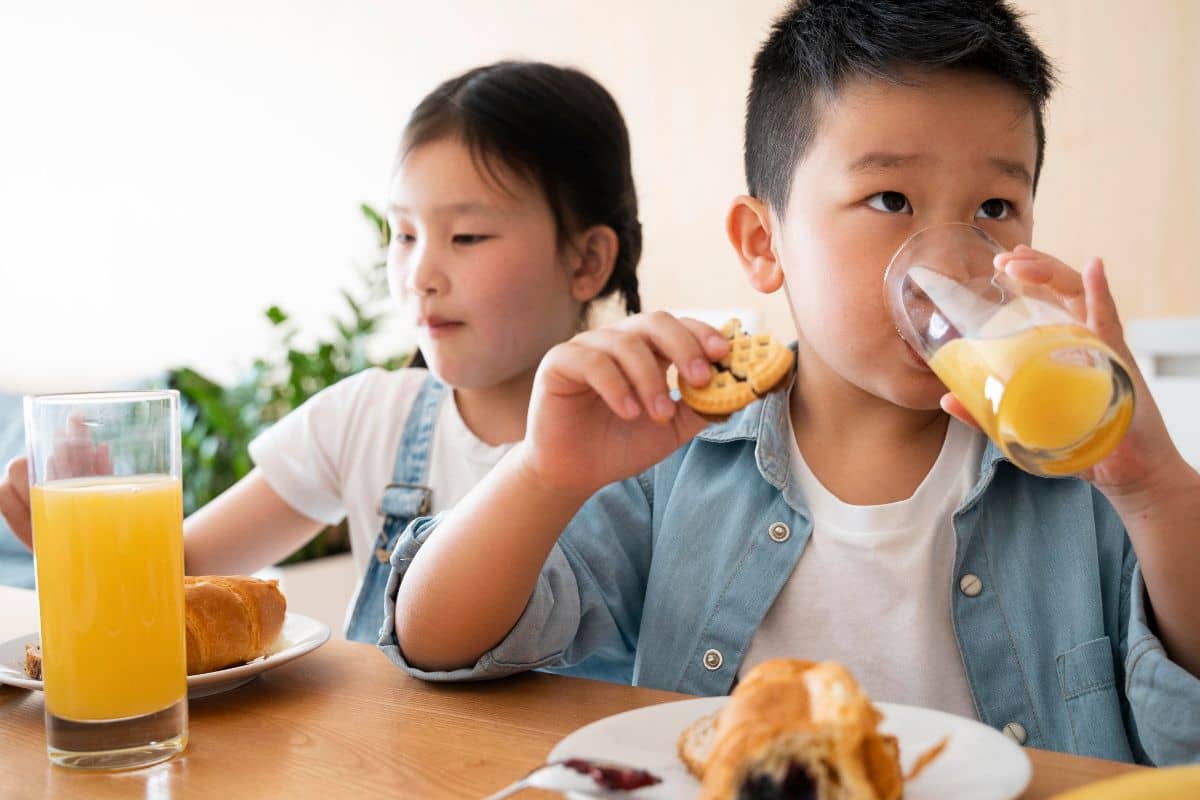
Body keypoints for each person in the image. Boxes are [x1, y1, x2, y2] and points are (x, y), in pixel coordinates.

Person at [383, 1, 1200, 766]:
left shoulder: (1076, 468)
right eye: (890, 198)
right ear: (763, 244)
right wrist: (540, 475)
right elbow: (437, 642)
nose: (950, 262)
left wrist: (1155, 489)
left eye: (994, 207)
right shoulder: (676, 454)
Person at [0, 60, 644, 643]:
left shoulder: (648, 446)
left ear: (586, 260)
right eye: (405, 234)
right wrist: (88, 532)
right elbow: (178, 570)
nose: (421, 274)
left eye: (467, 236)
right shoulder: (367, 417)